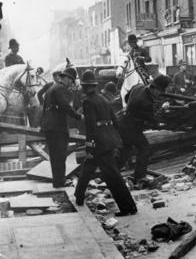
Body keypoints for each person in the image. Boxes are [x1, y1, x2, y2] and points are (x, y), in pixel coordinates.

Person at [74, 70, 137, 217]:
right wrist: (115, 138)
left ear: (85, 86)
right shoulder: (103, 99)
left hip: (99, 144)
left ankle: (128, 207)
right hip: (108, 141)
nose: (83, 88)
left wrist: (90, 146)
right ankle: (78, 196)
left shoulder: (87, 101)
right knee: (88, 168)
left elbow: (91, 126)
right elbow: (115, 121)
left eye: (83, 86)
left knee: (112, 176)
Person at [117, 74, 172, 185]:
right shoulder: (146, 102)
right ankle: (140, 177)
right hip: (131, 128)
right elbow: (154, 119)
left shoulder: (138, 86)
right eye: (160, 92)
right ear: (156, 89)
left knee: (125, 151)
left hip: (122, 122)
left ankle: (110, 173)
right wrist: (163, 108)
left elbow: (127, 98)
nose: (159, 95)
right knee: (144, 148)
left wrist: (134, 110)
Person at [41, 67, 83, 188]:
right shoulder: (60, 89)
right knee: (60, 155)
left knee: (55, 156)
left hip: (50, 127)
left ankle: (57, 181)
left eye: (72, 80)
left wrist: (42, 125)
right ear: (64, 78)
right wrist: (78, 116)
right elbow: (65, 106)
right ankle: (60, 181)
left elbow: (44, 108)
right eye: (70, 80)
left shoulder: (52, 88)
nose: (70, 83)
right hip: (58, 128)